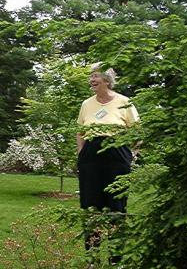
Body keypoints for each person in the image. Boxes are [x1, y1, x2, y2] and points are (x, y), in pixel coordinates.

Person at [76, 63, 139, 262]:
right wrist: (81, 153)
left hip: (117, 158)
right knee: (91, 206)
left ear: (107, 80)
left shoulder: (124, 101)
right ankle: (92, 259)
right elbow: (80, 131)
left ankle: (116, 258)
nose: (91, 80)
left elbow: (138, 131)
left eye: (95, 76)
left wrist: (132, 154)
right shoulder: (87, 104)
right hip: (90, 158)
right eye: (91, 77)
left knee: (117, 206)